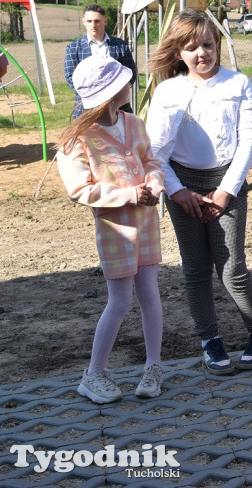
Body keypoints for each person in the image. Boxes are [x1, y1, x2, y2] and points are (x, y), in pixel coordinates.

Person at [146, 9, 252, 375]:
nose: (201, 53)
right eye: (191, 47)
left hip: (226, 185)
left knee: (232, 268)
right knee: (196, 269)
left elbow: (248, 140)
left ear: (216, 44)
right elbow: (156, 151)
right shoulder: (169, 91)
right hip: (183, 186)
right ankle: (209, 339)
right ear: (178, 53)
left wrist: (226, 191)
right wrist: (178, 191)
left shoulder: (237, 84)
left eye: (207, 44)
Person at [56, 55, 164, 403]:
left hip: (146, 222)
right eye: (123, 80)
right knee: (120, 300)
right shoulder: (79, 140)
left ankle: (153, 366)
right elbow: (80, 190)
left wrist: (155, 183)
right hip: (115, 228)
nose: (129, 82)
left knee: (149, 292)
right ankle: (93, 374)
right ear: (111, 91)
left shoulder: (134, 123)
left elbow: (151, 161)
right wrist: (130, 193)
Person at [64, 4, 137, 119]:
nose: (93, 25)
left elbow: (131, 72)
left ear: (105, 21)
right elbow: (70, 77)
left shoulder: (120, 45)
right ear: (83, 22)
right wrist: (94, 95)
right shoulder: (73, 48)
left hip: (118, 107)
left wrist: (115, 94)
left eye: (97, 21)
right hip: (86, 109)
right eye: (89, 21)